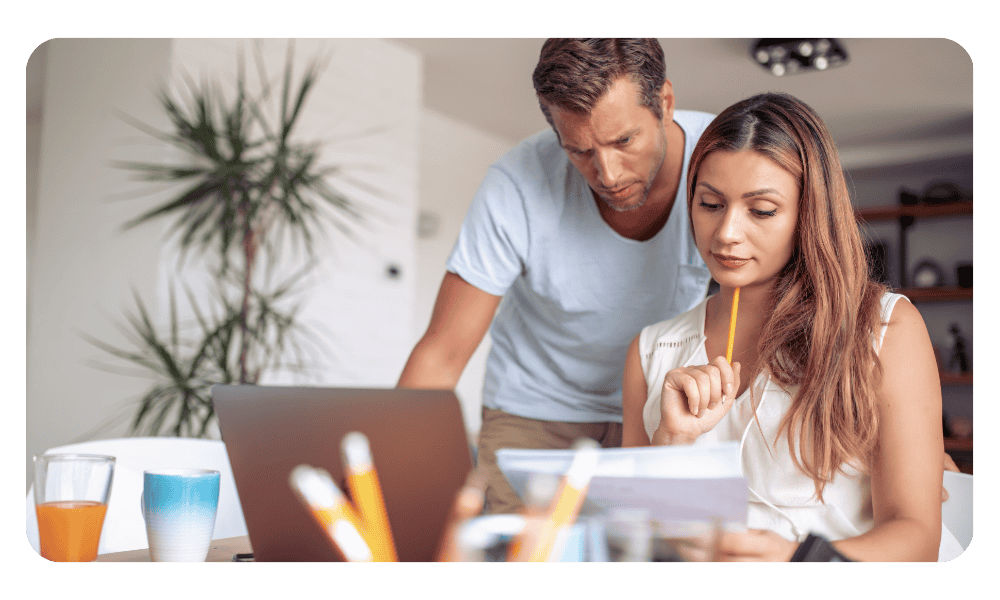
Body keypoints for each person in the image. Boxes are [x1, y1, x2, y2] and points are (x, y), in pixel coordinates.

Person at [622, 92, 963, 562]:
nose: (726, 233)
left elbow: (917, 540)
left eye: (761, 210)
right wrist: (672, 442)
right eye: (710, 204)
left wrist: (797, 562)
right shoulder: (651, 351)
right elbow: (633, 541)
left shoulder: (886, 328)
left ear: (809, 213)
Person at [397, 38, 716, 514]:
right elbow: (443, 353)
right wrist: (387, 464)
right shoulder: (516, 185)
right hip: (533, 411)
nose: (608, 174)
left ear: (665, 103)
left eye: (624, 141)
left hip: (655, 408)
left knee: (645, 552)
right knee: (520, 556)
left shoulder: (722, 159)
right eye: (580, 151)